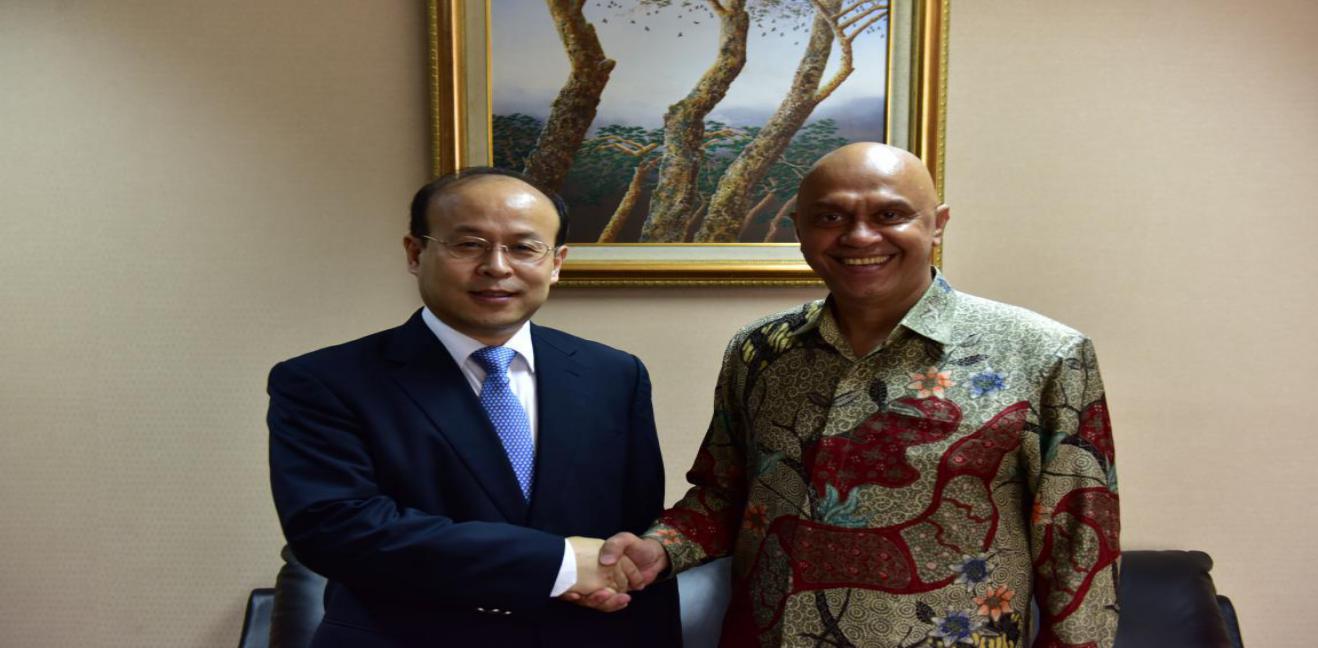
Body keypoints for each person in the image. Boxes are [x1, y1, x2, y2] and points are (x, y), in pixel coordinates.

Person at [597, 143, 1121, 647]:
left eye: (890, 215)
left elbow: (1079, 547)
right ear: (799, 229)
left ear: (937, 224)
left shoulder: (1044, 355)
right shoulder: (760, 350)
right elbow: (724, 495)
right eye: (830, 217)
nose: (860, 236)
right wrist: (659, 549)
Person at [267, 168, 679, 647]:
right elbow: (337, 529)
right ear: (415, 254)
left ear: (557, 262)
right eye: (468, 245)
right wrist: (558, 564)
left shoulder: (615, 374)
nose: (497, 267)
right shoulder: (324, 381)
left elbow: (635, 535)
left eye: (524, 248)